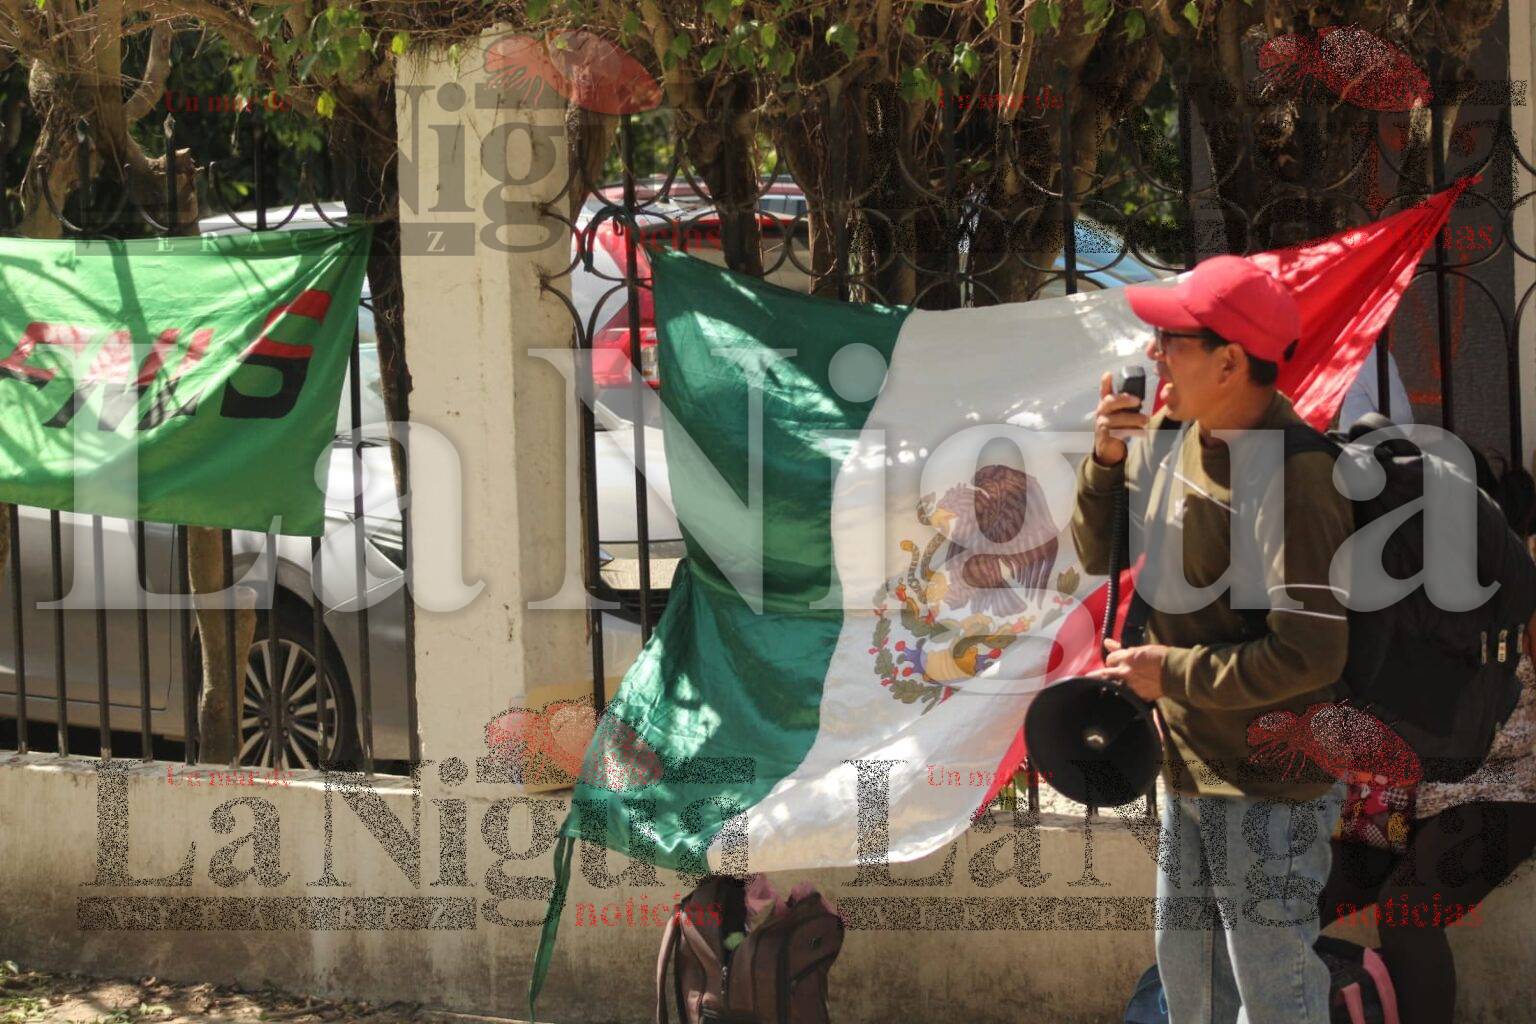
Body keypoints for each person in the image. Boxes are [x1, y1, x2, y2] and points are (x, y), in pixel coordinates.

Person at [1071, 254, 1355, 1023]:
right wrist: (1104, 463)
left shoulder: (1296, 478)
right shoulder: (1170, 431)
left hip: (1271, 785)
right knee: (1190, 990)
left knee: (1275, 996)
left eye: (1173, 339)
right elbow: (1098, 554)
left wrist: (1174, 672)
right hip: (1189, 768)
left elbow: (1311, 653)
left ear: (1230, 361)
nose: (1154, 353)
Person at [1318, 458, 1536, 1024]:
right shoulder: (1390, 585)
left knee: (1408, 911)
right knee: (1294, 898)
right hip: (1396, 798)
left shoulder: (1520, 586)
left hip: (1501, 795)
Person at [1338, 343, 1414, 429]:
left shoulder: (1345, 348)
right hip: (1367, 437)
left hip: (1353, 434)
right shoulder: (1370, 353)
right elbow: (1400, 416)